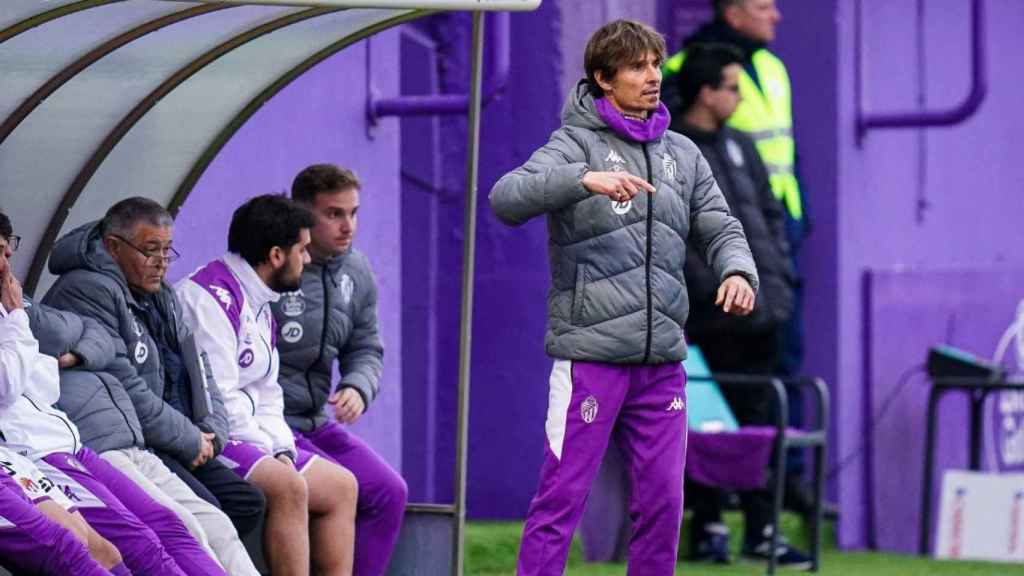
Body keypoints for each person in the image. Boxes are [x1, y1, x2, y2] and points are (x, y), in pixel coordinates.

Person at [489, 19, 758, 576]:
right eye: (637, 66)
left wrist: (738, 271)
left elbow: (721, 226)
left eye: (656, 64)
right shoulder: (573, 143)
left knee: (663, 504)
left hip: (662, 360)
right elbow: (506, 198)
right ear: (603, 79)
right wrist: (580, 178)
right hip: (590, 358)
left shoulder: (681, 153)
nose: (652, 76)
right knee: (562, 499)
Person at [43, 198, 261, 575]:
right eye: (150, 250)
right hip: (120, 439)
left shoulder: (161, 292)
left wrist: (211, 429)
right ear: (113, 247)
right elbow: (127, 384)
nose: (161, 261)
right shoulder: (88, 288)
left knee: (223, 518)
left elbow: (199, 364)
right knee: (187, 525)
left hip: (163, 437)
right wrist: (190, 439)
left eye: (166, 249)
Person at [663, 0, 814, 518]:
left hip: (768, 276)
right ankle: (710, 521)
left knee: (765, 403)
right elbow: (679, 232)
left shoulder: (769, 75)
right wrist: (713, 287)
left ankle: (764, 517)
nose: (775, 16)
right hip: (716, 302)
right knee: (708, 415)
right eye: (762, 5)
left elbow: (769, 203)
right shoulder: (682, 82)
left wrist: (779, 272)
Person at [176, 194, 359, 576]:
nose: (307, 260)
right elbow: (217, 400)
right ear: (276, 255)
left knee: (342, 487)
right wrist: (269, 453)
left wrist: (282, 449)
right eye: (303, 250)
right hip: (213, 435)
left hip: (255, 437)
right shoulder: (208, 298)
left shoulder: (259, 299)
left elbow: (267, 393)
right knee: (288, 487)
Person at [273, 164, 407, 576]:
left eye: (353, 213)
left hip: (314, 422)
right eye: (334, 214)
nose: (347, 226)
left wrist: (358, 387)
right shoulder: (275, 266)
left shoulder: (356, 271)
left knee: (388, 491)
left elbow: (366, 347)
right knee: (339, 485)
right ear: (302, 214)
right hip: (270, 426)